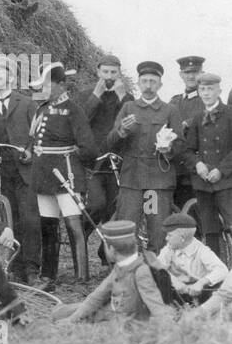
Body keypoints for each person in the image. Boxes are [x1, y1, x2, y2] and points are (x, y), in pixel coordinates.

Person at [27, 61, 97, 285]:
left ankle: (82, 279)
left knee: (73, 226)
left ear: (60, 85)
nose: (42, 90)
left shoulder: (73, 110)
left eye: (47, 85)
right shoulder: (42, 108)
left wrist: (74, 159)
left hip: (66, 175)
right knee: (48, 226)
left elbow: (89, 148)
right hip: (43, 176)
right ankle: (48, 276)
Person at [109, 60, 180, 252]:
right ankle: (126, 275)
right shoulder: (128, 108)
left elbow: (180, 146)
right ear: (139, 83)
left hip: (157, 182)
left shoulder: (170, 110)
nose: (148, 86)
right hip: (132, 181)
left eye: (153, 81)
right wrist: (122, 131)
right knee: (127, 230)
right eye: (145, 81)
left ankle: (158, 274)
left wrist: (169, 149)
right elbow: (110, 142)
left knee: (157, 231)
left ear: (160, 85)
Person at [54, 219, 176, 326]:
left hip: (125, 321)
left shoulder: (141, 271)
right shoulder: (120, 267)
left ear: (110, 249)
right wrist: (71, 319)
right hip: (110, 310)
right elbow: (97, 297)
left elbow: (156, 305)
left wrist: (170, 327)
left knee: (66, 315)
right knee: (59, 313)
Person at [73, 54, 132, 250]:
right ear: (98, 72)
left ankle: (105, 253)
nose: (109, 76)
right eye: (105, 71)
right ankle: (79, 237)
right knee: (97, 204)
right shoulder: (85, 94)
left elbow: (130, 122)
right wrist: (95, 97)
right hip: (93, 162)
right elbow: (80, 123)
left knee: (113, 208)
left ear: (119, 73)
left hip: (116, 161)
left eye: (113, 72)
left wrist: (123, 97)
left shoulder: (127, 97)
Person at [0, 64, 40, 283]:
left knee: (29, 219)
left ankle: (31, 269)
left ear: (10, 79)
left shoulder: (27, 103)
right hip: (0, 171)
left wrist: (30, 151)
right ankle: (12, 266)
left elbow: (38, 134)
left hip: (24, 171)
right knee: (8, 220)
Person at [181, 72, 232, 256]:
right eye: (202, 89)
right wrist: (198, 164)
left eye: (210, 89)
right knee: (209, 230)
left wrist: (221, 170)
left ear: (219, 90)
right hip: (204, 184)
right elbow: (187, 151)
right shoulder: (196, 118)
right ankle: (216, 274)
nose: (206, 93)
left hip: (227, 182)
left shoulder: (230, 114)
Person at [156, 211, 228, 305]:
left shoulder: (202, 251)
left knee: (219, 284)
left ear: (182, 237)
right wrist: (174, 281)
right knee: (156, 277)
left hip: (200, 293)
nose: (166, 238)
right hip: (177, 293)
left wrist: (201, 283)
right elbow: (156, 266)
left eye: (169, 235)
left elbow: (222, 270)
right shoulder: (169, 248)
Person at [169, 55, 208, 212]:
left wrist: (188, 123)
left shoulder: (208, 99)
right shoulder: (174, 101)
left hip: (199, 170)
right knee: (178, 216)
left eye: (196, 72)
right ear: (181, 75)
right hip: (176, 170)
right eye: (187, 72)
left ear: (202, 73)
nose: (191, 76)